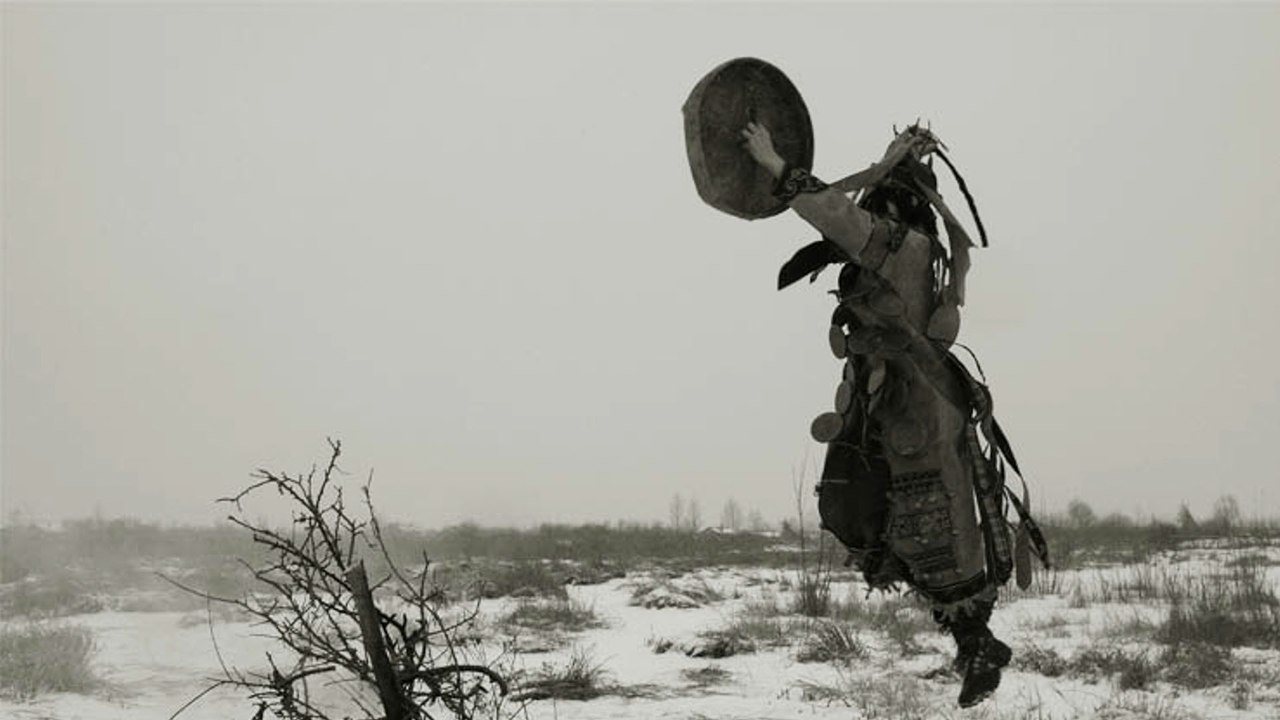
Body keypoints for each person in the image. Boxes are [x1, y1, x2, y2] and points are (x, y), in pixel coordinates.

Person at [740, 120, 1047, 708]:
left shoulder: (899, 246)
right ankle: (975, 645)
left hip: (913, 414)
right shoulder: (924, 252)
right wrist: (893, 157)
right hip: (915, 409)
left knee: (922, 521)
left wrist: (775, 165)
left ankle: (977, 645)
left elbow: (838, 215)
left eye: (877, 202)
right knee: (930, 522)